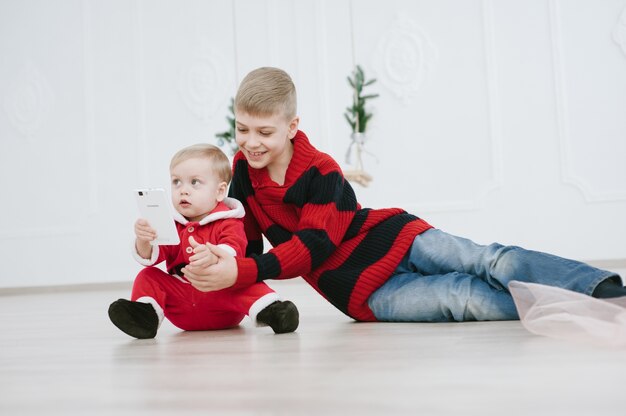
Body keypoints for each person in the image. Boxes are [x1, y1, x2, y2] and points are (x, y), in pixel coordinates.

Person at [181, 67, 626, 323]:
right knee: (463, 299)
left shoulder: (321, 172)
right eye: (242, 129)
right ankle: (572, 310)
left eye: (265, 132)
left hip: (394, 236)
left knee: (485, 260)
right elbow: (245, 241)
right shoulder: (241, 172)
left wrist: (243, 269)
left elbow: (315, 246)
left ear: (292, 127)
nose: (251, 142)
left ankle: (600, 289)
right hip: (358, 291)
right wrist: (220, 259)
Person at [108, 143, 299, 338]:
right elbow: (153, 256)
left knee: (246, 279)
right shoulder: (173, 225)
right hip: (183, 304)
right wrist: (144, 240)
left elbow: (235, 250)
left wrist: (214, 256)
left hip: (222, 299)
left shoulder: (229, 221)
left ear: (219, 191)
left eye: (195, 182)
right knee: (147, 275)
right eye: (176, 182)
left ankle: (273, 311)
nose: (183, 190)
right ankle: (145, 317)